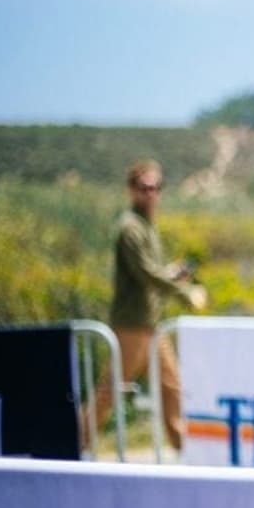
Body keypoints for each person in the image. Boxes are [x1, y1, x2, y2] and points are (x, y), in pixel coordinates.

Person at [93, 159, 206, 453]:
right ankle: (73, 446)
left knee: (173, 389)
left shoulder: (146, 226)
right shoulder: (130, 228)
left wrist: (173, 272)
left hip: (151, 325)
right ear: (131, 190)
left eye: (156, 188)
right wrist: (185, 292)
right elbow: (145, 273)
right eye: (144, 188)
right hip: (132, 325)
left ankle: (186, 455)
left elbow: (151, 272)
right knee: (109, 393)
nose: (151, 193)